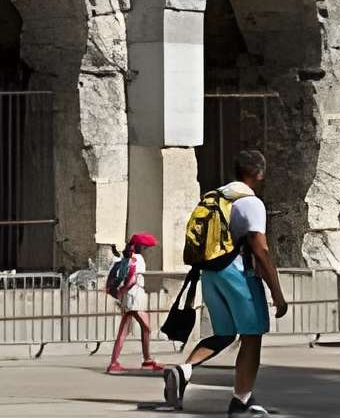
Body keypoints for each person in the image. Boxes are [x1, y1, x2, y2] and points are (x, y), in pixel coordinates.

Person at [167, 150, 289, 416]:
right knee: (252, 336)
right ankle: (241, 402)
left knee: (224, 333)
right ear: (259, 173)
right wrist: (277, 292)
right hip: (238, 273)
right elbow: (260, 249)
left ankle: (183, 370)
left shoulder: (216, 196)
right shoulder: (251, 203)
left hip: (211, 273)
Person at [105, 231, 162, 374]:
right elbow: (133, 279)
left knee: (124, 330)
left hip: (127, 296)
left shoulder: (127, 258)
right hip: (135, 296)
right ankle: (147, 360)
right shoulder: (139, 259)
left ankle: (114, 362)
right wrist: (124, 289)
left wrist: (121, 292)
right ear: (141, 248)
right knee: (146, 328)